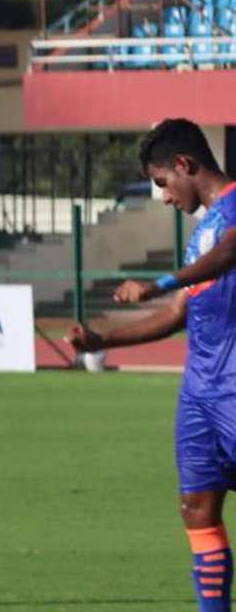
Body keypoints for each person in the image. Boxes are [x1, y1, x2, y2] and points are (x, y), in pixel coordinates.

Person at [66, 118, 236, 612]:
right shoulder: (202, 232)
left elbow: (231, 252)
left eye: (163, 183)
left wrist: (160, 282)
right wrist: (104, 340)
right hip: (199, 393)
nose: (164, 197)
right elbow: (178, 313)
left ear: (185, 164)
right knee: (196, 509)